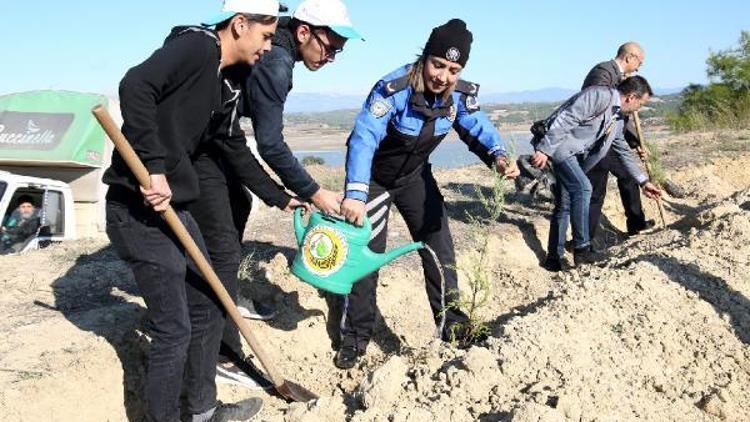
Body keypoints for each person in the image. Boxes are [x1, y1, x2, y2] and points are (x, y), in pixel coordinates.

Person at [102, 1, 298, 420]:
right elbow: (135, 85)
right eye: (266, 36)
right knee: (174, 329)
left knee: (208, 303)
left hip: (173, 208)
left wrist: (278, 196)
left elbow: (231, 145)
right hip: (136, 211)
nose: (269, 46)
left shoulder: (225, 83)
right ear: (240, 24)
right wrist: (152, 167)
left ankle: (202, 411)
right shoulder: (197, 47)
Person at [337, 19, 519, 369]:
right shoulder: (393, 89)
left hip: (414, 178)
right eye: (438, 65)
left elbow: (477, 126)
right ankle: (356, 338)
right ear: (424, 58)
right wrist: (356, 194)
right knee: (365, 257)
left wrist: (497, 156)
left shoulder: (459, 96)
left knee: (440, 248)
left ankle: (452, 326)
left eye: (454, 69)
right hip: (374, 179)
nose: (443, 77)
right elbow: (363, 139)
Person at [213, 0, 363, 387]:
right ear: (303, 33)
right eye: (330, 47)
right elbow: (271, 144)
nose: (331, 58)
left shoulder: (277, 53)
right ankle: (222, 349)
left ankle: (225, 304)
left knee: (235, 208)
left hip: (217, 137)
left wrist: (281, 193)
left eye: (339, 52)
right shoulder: (277, 64)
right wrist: (314, 192)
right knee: (221, 240)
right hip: (201, 143)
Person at [531, 76, 662, 272]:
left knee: (565, 202)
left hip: (574, 155)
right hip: (559, 148)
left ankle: (553, 258)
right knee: (583, 188)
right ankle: (582, 250)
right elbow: (566, 119)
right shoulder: (598, 96)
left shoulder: (618, 119)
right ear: (631, 97)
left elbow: (623, 151)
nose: (639, 109)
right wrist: (545, 149)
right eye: (640, 104)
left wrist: (643, 181)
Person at [582, 42, 655, 239]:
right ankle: (584, 241)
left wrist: (636, 142)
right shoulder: (602, 73)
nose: (639, 67)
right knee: (595, 192)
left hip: (611, 138)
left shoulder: (618, 76)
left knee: (627, 178)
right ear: (629, 57)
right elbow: (604, 110)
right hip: (597, 140)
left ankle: (636, 224)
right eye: (639, 62)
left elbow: (621, 117)